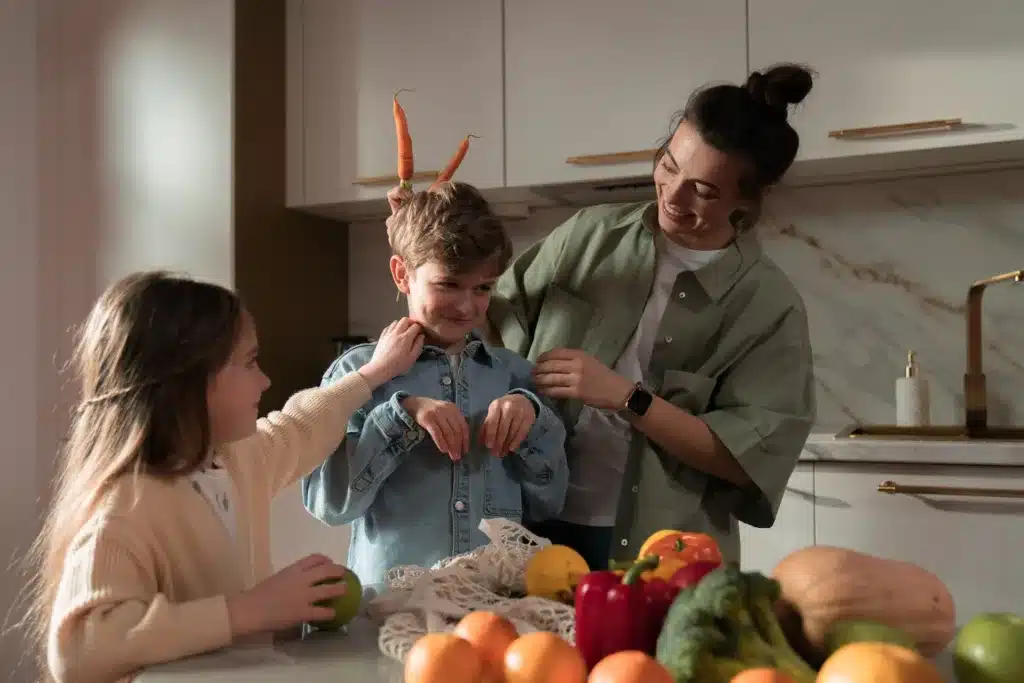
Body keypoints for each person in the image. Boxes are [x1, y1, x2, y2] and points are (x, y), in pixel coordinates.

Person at [484, 64, 818, 570]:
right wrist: (425, 248)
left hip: (662, 551)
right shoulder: (587, 236)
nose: (672, 195)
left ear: (748, 203)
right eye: (669, 163)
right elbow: (486, 318)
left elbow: (745, 458)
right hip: (529, 522)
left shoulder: (768, 304)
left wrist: (626, 396)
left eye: (704, 191)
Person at [25, 271, 423, 683]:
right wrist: (252, 610)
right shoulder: (125, 508)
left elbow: (298, 429)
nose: (265, 380)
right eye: (250, 362)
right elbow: (80, 651)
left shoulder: (234, 460)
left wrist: (373, 374)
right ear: (189, 381)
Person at [302, 181, 568, 590]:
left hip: (497, 603)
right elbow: (330, 505)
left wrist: (532, 419)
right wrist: (400, 416)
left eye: (482, 288)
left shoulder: (515, 377)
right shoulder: (359, 373)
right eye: (448, 284)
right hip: (392, 605)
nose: (467, 306)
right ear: (401, 275)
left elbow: (549, 502)